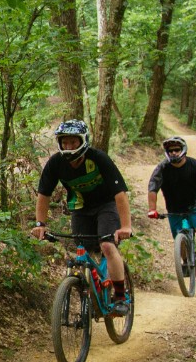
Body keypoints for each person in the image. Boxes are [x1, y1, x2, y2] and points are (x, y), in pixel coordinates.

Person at [31, 120, 134, 314]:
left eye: (73, 142)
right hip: (80, 208)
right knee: (82, 252)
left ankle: (120, 297)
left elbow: (120, 193)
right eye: (65, 142)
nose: (68, 147)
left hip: (107, 205)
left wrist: (126, 226)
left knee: (107, 245)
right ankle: (93, 292)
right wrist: (40, 224)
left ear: (83, 141)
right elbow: (43, 194)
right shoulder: (56, 163)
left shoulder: (98, 159)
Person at [146, 136, 196, 272]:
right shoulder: (162, 168)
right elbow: (153, 188)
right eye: (170, 151)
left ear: (183, 150)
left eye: (176, 150)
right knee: (178, 235)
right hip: (174, 206)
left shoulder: (195, 165)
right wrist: (152, 209)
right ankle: (186, 262)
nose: (173, 153)